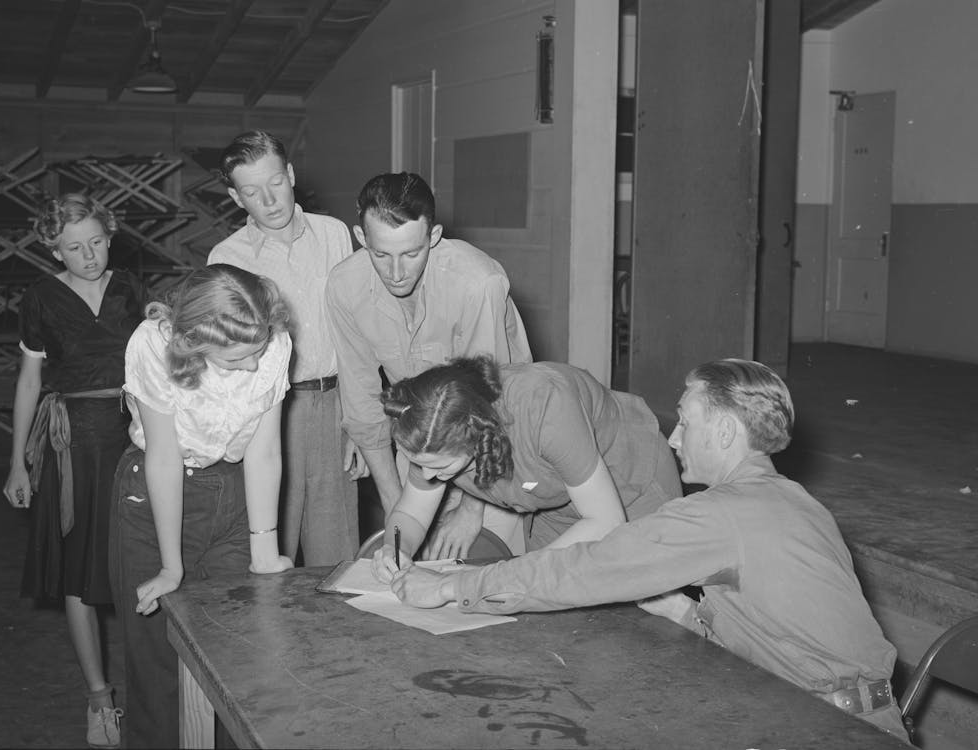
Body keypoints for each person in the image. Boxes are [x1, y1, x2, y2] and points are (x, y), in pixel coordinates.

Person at [390, 359, 910, 741]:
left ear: (725, 432)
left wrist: (453, 586)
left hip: (829, 729)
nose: (674, 437)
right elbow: (780, 630)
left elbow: (586, 568)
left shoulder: (715, 516)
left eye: (686, 422)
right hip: (860, 714)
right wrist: (690, 615)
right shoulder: (797, 502)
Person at [109, 264, 293, 748]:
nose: (252, 366)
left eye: (257, 352)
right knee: (157, 659)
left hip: (233, 486)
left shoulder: (273, 340)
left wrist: (264, 551)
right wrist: (172, 567)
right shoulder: (152, 344)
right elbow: (164, 457)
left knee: (238, 651)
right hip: (157, 493)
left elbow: (265, 450)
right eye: (235, 360)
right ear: (193, 343)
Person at [2, 193, 146, 748]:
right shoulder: (41, 298)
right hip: (73, 447)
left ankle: (155, 692)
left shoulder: (131, 289)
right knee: (78, 572)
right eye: (74, 247)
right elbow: (29, 381)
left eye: (97, 242)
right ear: (54, 249)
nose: (89, 256)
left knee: (142, 566)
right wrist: (18, 462)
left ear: (110, 236)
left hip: (134, 440)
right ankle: (99, 699)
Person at [325, 172, 532, 557]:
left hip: (494, 451)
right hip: (421, 445)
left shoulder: (477, 283)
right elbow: (363, 405)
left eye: (411, 254)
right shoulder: (344, 286)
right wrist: (394, 502)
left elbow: (492, 406)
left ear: (433, 236)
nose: (396, 273)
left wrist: (472, 510)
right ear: (361, 238)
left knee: (492, 573)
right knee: (406, 565)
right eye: (381, 255)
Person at [372, 355, 681, 580]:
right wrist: (396, 549)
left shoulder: (545, 405)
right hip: (555, 504)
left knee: (645, 603)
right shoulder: (430, 428)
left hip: (630, 484)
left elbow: (605, 520)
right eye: (420, 465)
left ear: (477, 437)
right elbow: (411, 514)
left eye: (438, 467)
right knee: (549, 606)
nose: (427, 476)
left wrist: (503, 577)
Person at [208, 130, 365, 567]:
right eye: (251, 192)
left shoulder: (335, 234)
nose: (269, 200)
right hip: (269, 414)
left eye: (276, 182)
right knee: (270, 550)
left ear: (291, 174)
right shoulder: (226, 257)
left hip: (336, 405)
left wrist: (360, 422)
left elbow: (356, 332)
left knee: (338, 555)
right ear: (236, 198)